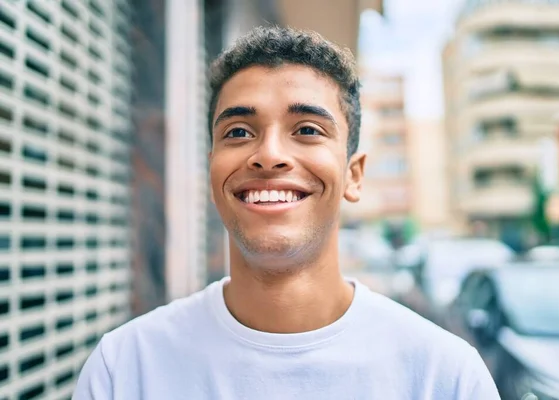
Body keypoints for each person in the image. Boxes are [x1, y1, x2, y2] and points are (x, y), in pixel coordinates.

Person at [73, 26, 500, 399]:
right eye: (238, 132)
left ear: (354, 175)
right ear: (211, 171)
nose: (269, 154)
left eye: (308, 130)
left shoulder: (445, 378)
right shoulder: (124, 368)